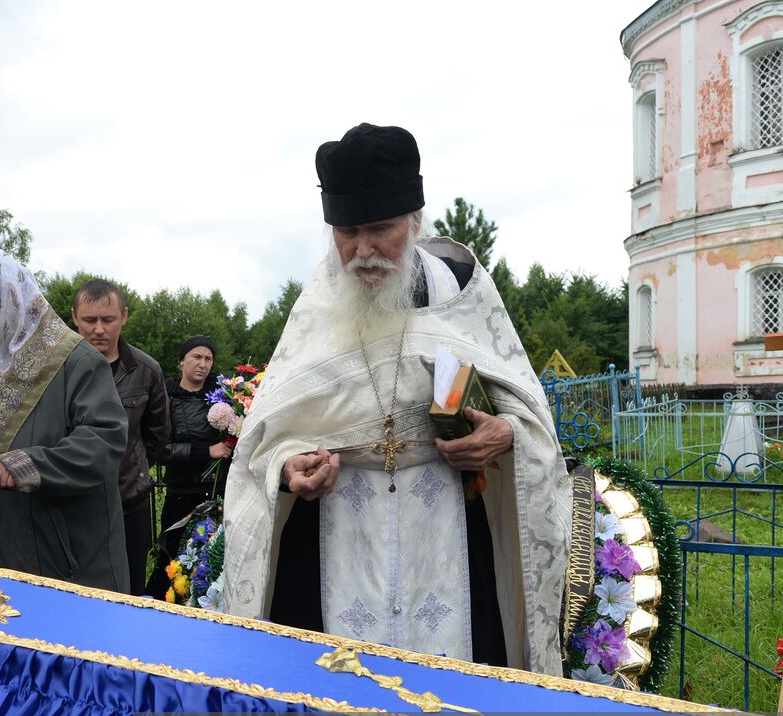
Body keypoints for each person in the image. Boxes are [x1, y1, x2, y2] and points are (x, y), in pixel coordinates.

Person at [222, 125, 568, 675]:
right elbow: (268, 436)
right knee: (331, 695)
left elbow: (526, 417)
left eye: (380, 229)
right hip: (333, 532)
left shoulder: (460, 292)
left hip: (450, 528)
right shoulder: (318, 307)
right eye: (347, 232)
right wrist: (288, 467)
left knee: (457, 692)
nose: (362, 251)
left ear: (415, 222)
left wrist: (504, 434)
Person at [0, 246, 129, 590]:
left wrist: (27, 465)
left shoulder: (75, 362)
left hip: (58, 572)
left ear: (4, 298)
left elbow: (104, 441)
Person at [72, 280, 168, 594]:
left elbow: (157, 435)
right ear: (74, 318)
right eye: (90, 320)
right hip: (75, 506)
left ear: (124, 316)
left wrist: (133, 467)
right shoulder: (59, 370)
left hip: (130, 505)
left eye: (108, 319)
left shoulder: (147, 371)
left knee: (130, 592)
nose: (99, 329)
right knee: (79, 593)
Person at [145, 335, 230, 598]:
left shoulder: (224, 397)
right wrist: (206, 451)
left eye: (208, 358)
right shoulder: (165, 397)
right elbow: (160, 448)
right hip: (180, 493)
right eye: (196, 357)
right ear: (182, 361)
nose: (203, 364)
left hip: (216, 494)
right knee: (172, 560)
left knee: (211, 561)